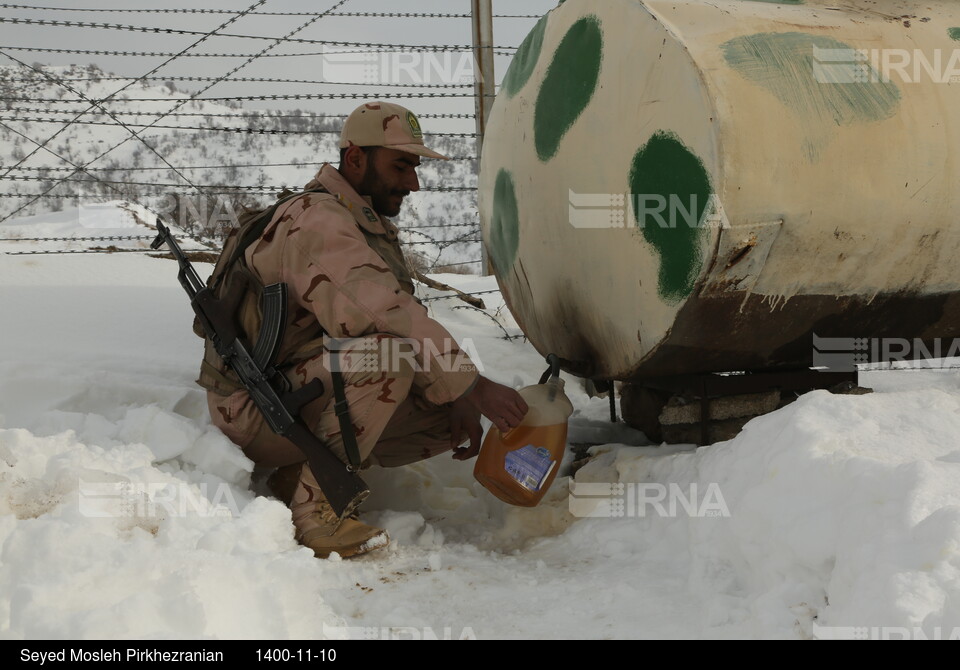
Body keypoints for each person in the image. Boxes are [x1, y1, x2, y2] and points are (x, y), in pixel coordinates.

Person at [199, 101, 528, 559]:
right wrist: (469, 383)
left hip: (295, 391)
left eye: (414, 167)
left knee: (445, 414)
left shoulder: (356, 217)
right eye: (400, 165)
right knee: (391, 357)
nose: (412, 182)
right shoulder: (316, 220)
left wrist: (458, 396)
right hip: (255, 410)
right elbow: (380, 314)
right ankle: (316, 515)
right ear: (355, 159)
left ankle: (296, 475)